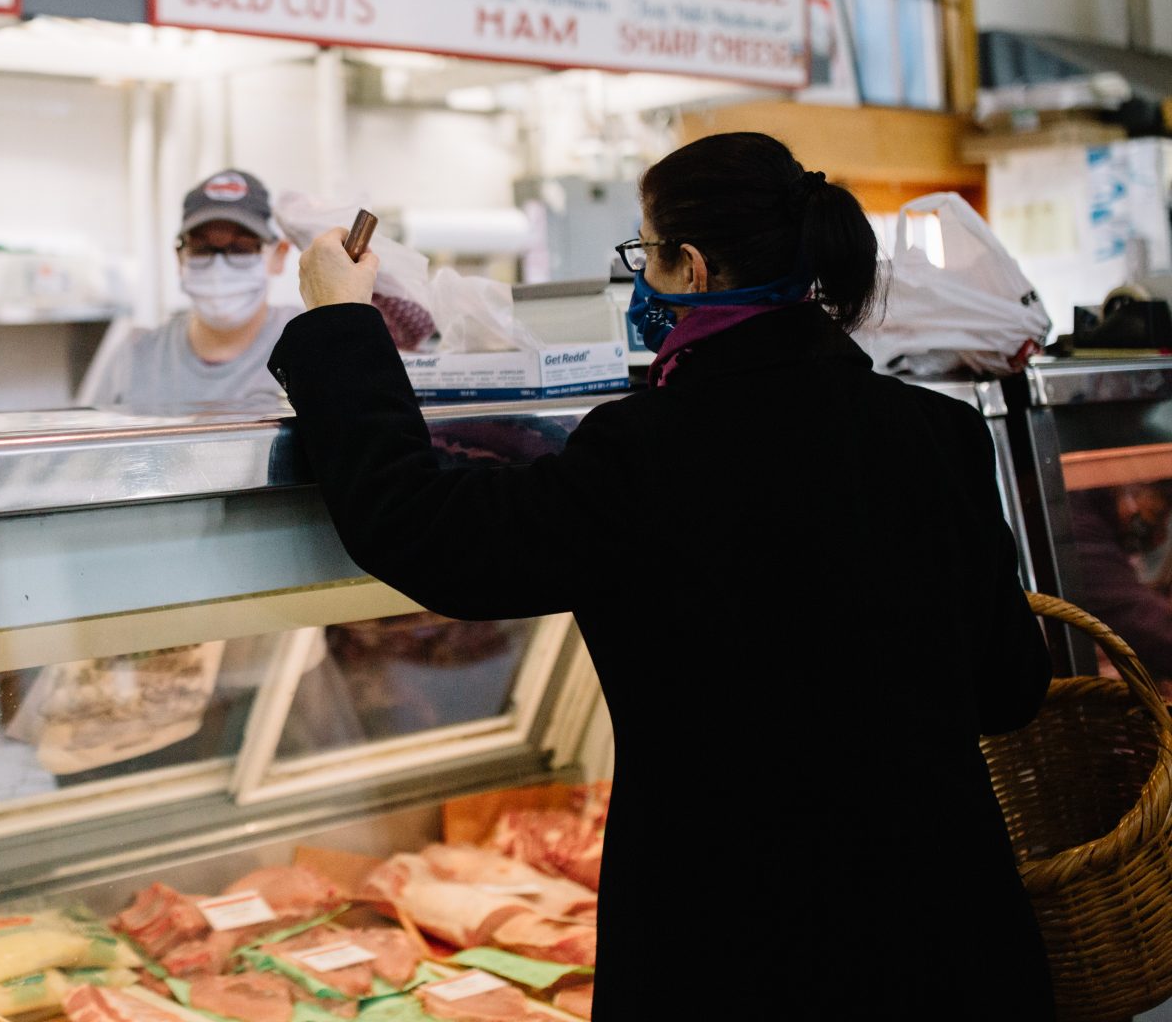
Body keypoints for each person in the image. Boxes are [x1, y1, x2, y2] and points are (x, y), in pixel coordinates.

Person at [269, 132, 1055, 1020]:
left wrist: (339, 322)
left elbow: (425, 532)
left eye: (647, 254)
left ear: (689, 265)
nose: (642, 278)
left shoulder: (645, 452)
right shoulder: (939, 433)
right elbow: (1010, 689)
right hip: (951, 941)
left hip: (738, 952)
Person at [82, 170, 298, 414]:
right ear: (179, 258)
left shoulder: (307, 346)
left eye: (241, 248)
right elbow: (82, 448)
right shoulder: (135, 358)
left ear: (278, 256)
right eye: (201, 248)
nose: (219, 268)